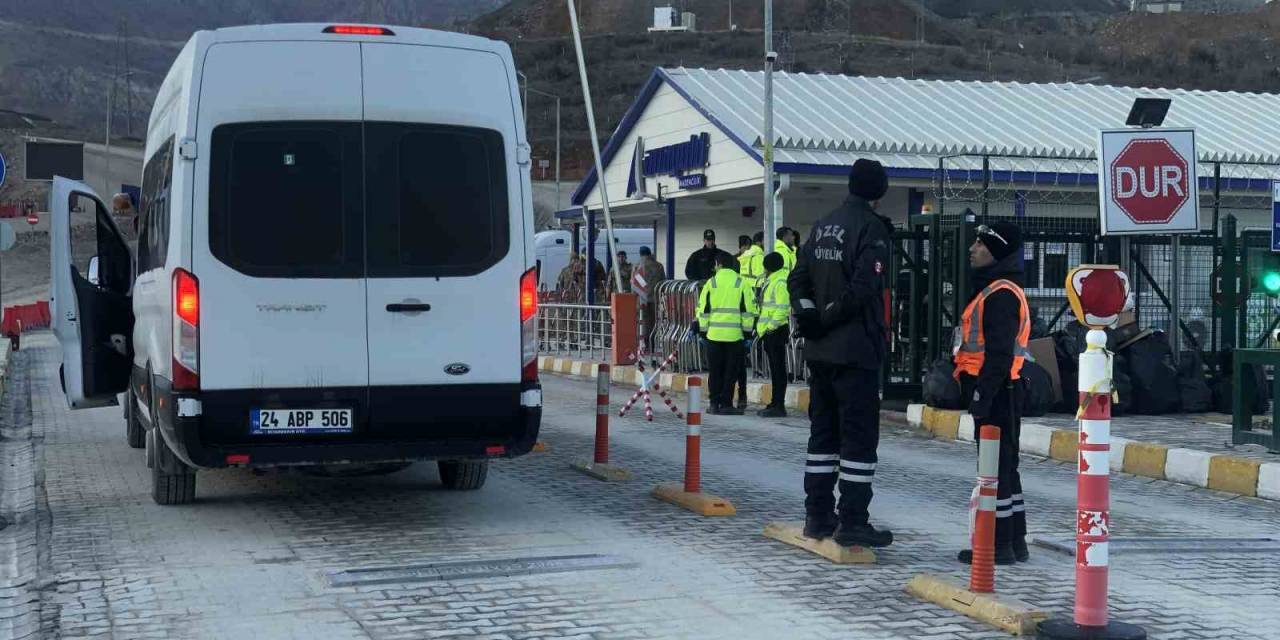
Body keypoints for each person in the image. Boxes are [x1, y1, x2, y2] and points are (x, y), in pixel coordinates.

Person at [788, 158, 895, 549]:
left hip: (820, 353)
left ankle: (817, 516)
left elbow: (797, 278)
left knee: (823, 436)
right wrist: (829, 317)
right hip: (855, 352)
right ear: (879, 191)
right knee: (858, 441)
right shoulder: (872, 229)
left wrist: (810, 315)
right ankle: (852, 520)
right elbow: (865, 288)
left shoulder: (822, 225)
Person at [955, 222, 1032, 566]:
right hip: (1005, 389)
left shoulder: (1000, 294)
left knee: (993, 470)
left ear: (996, 252)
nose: (972, 248)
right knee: (1006, 468)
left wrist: (980, 396)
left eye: (981, 244)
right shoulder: (999, 288)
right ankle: (1014, 540)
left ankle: (996, 545)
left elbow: (998, 353)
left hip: (997, 391)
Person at [695, 253, 758, 415]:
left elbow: (703, 310)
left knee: (715, 371)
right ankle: (726, 404)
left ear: (719, 264)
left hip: (713, 335)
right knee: (731, 371)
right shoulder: (741, 282)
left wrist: (703, 332)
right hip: (734, 336)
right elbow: (748, 311)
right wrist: (747, 334)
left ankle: (714, 404)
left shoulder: (711, 282)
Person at [756, 252, 791, 418]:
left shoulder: (780, 281)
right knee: (775, 370)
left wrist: (770, 327)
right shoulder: (774, 280)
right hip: (771, 331)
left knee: (778, 370)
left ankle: (779, 405)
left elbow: (783, 308)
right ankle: (775, 402)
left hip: (775, 331)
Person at [632, 247, 667, 348]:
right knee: (653, 322)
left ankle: (641, 344)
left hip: (641, 299)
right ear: (650, 253)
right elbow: (663, 282)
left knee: (641, 321)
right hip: (655, 298)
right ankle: (651, 344)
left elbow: (634, 285)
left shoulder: (636, 266)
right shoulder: (659, 266)